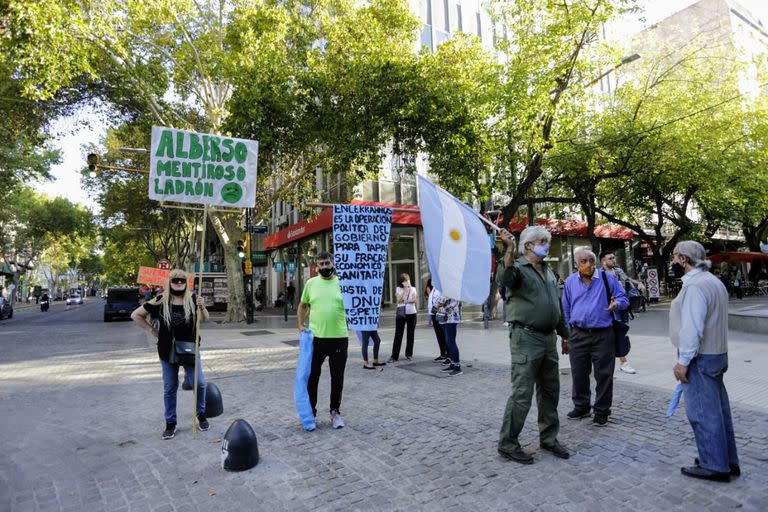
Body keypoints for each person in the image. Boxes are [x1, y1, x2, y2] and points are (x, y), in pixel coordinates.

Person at [495, 226, 570, 464]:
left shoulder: (547, 270)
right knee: (522, 393)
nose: (546, 245)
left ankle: (549, 438)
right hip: (525, 338)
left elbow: (555, 305)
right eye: (542, 241)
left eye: (547, 241)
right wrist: (508, 249)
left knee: (550, 391)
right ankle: (508, 443)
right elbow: (504, 280)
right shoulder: (517, 267)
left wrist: (565, 335)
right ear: (528, 245)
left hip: (548, 339)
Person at [670, 241, 740, 482]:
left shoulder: (695, 286)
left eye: (674, 257)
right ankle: (726, 459)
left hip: (701, 357)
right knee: (719, 411)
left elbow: (692, 329)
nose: (672, 261)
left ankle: (715, 464)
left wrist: (683, 362)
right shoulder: (713, 281)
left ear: (683, 259)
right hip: (717, 353)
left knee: (703, 412)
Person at [130, 269, 209, 440]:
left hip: (190, 350)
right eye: (175, 281)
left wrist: (202, 306)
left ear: (185, 283)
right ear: (169, 282)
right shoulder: (160, 301)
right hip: (167, 351)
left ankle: (201, 414)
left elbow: (205, 320)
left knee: (200, 383)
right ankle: (170, 423)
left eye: (182, 281)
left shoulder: (194, 299)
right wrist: (152, 330)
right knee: (170, 389)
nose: (179, 284)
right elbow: (136, 315)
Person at [562, 248, 629, 427]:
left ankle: (601, 411)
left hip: (603, 334)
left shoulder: (607, 278)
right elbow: (566, 309)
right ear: (576, 264)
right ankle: (582, 406)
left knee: (604, 374)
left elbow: (624, 298)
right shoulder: (569, 282)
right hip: (578, 334)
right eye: (583, 261)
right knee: (579, 373)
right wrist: (568, 335)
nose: (588, 264)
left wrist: (617, 304)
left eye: (591, 260)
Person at [297, 251, 348, 429]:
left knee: (337, 378)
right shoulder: (311, 284)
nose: (324, 267)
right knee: (313, 377)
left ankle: (335, 412)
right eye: (321, 264)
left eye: (327, 263)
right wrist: (300, 325)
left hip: (339, 338)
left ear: (333, 263)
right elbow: (303, 305)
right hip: (316, 339)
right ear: (316, 266)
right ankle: (311, 412)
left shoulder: (344, 283)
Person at [600, 250, 645, 374]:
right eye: (610, 258)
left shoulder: (618, 271)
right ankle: (623, 362)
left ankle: (615, 359)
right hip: (611, 308)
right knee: (617, 334)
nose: (614, 260)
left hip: (622, 305)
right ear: (603, 261)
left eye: (614, 257)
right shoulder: (600, 275)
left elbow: (628, 279)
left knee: (622, 332)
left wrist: (638, 283)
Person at [431, 288, 462, 376]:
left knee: (450, 341)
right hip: (446, 317)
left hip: (451, 318)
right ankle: (452, 363)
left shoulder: (450, 288)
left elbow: (442, 299)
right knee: (448, 341)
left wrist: (435, 306)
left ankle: (457, 366)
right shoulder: (450, 287)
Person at [388, 273, 418, 362]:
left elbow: (414, 300)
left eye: (408, 280)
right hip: (401, 314)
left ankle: (409, 354)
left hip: (412, 313)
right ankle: (394, 356)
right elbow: (398, 300)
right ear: (401, 282)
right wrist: (404, 291)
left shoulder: (413, 289)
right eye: (405, 281)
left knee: (410, 334)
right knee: (398, 334)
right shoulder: (398, 289)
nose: (407, 282)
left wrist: (405, 300)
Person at [425, 278, 448, 362]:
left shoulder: (440, 289)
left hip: (439, 313)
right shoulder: (434, 288)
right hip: (434, 313)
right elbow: (431, 302)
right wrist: (430, 315)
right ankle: (442, 354)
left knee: (443, 335)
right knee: (439, 335)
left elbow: (442, 300)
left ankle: (447, 355)